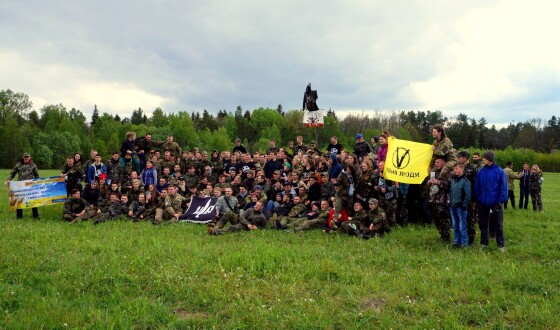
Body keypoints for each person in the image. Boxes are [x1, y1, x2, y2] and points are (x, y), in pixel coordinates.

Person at [475, 151, 508, 251]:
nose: (482, 160)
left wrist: (500, 201)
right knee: (483, 223)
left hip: (495, 202)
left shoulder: (500, 171)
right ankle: (483, 243)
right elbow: (477, 187)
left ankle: (501, 245)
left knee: (498, 224)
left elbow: (503, 187)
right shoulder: (480, 171)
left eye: (484, 158)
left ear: (490, 159)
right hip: (483, 203)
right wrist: (478, 199)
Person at [6, 152, 40, 219]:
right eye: (25, 157)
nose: (26, 158)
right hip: (20, 186)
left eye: (27, 157)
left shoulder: (33, 165)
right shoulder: (18, 165)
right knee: (19, 200)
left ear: (29, 158)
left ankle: (35, 216)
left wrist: (37, 182)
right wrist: (9, 179)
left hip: (30, 186)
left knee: (32, 200)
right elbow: (12, 173)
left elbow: (36, 175)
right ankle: (19, 216)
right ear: (23, 157)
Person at [449, 163, 471, 248]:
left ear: (462, 169)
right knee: (455, 225)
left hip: (460, 207)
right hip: (452, 205)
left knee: (462, 226)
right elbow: (451, 192)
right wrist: (450, 202)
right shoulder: (453, 180)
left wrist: (464, 205)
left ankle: (464, 243)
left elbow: (467, 194)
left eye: (456, 168)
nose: (455, 170)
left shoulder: (465, 181)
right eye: (454, 169)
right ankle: (456, 242)